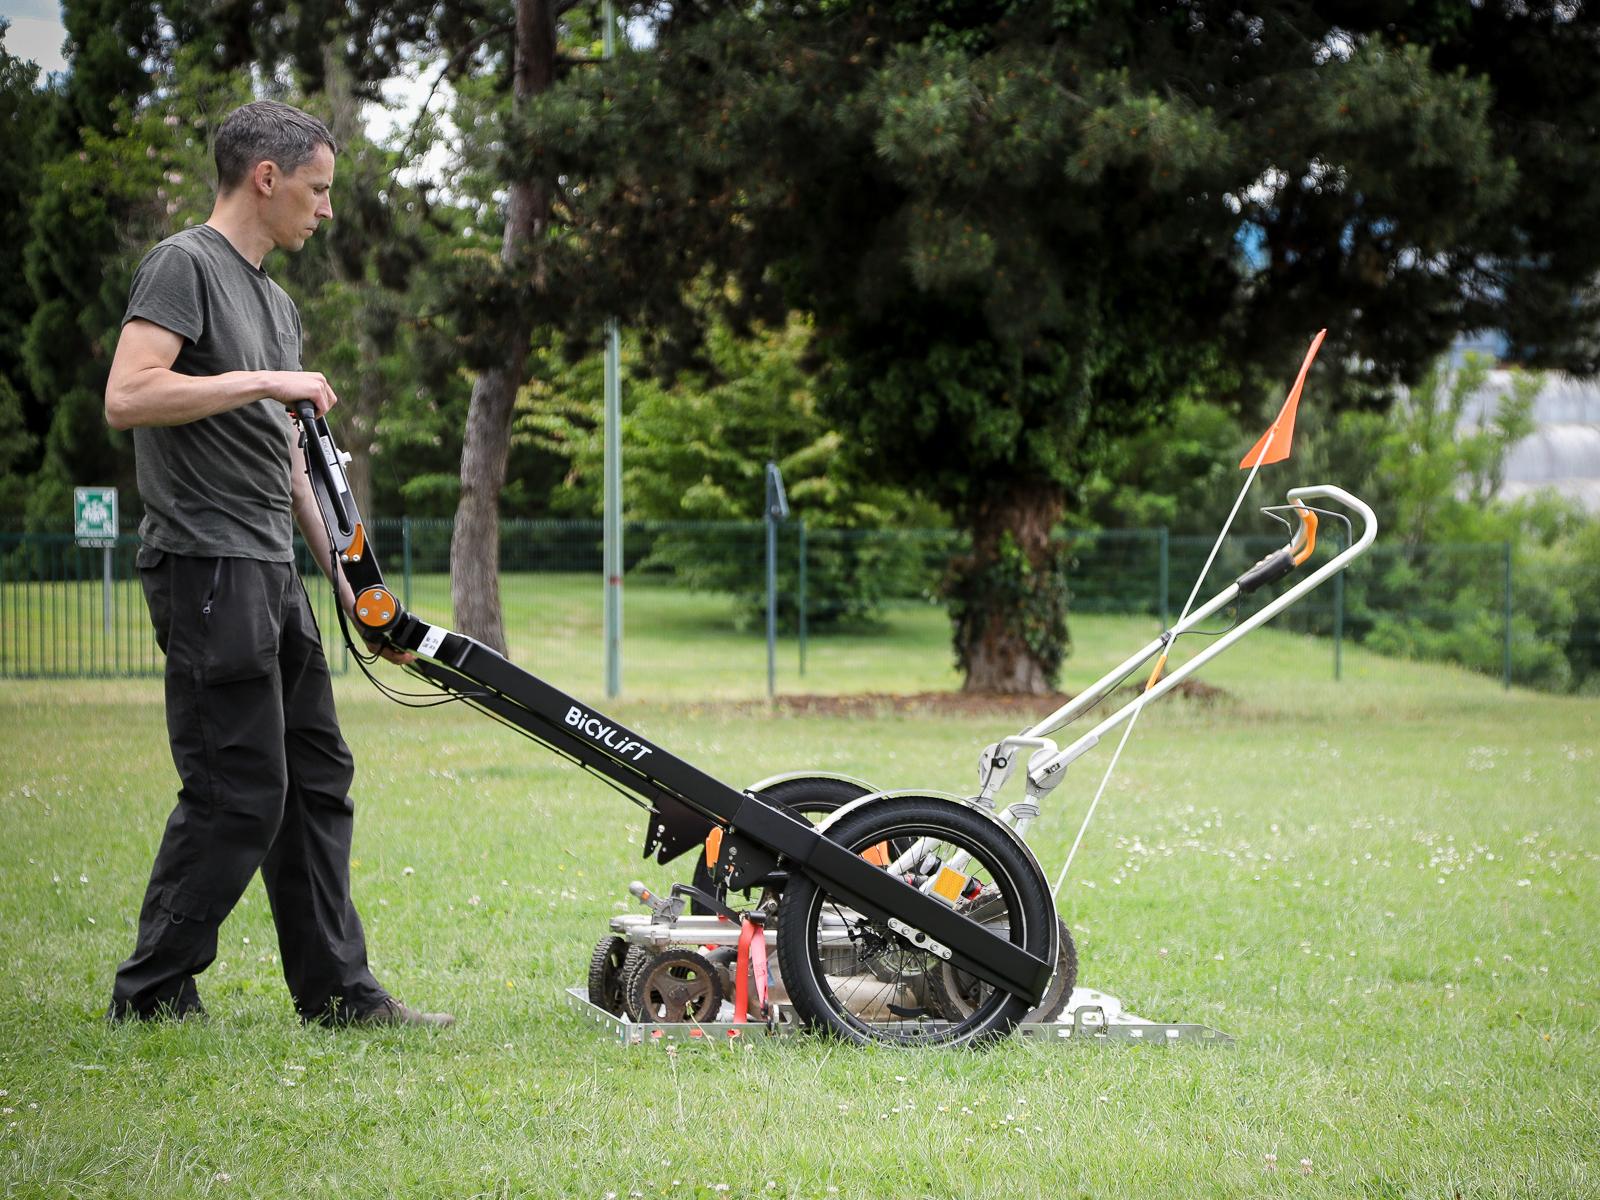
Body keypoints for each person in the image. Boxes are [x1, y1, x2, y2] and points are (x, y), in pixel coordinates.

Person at [103, 100, 452, 1028]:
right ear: (267, 176)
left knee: (316, 775)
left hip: (268, 567)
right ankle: (153, 990)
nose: (326, 210)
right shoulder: (185, 266)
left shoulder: (276, 302)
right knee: (239, 787)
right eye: (318, 189)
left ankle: (339, 990)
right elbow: (129, 394)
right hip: (204, 560)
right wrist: (267, 380)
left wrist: (347, 578)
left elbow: (289, 458)